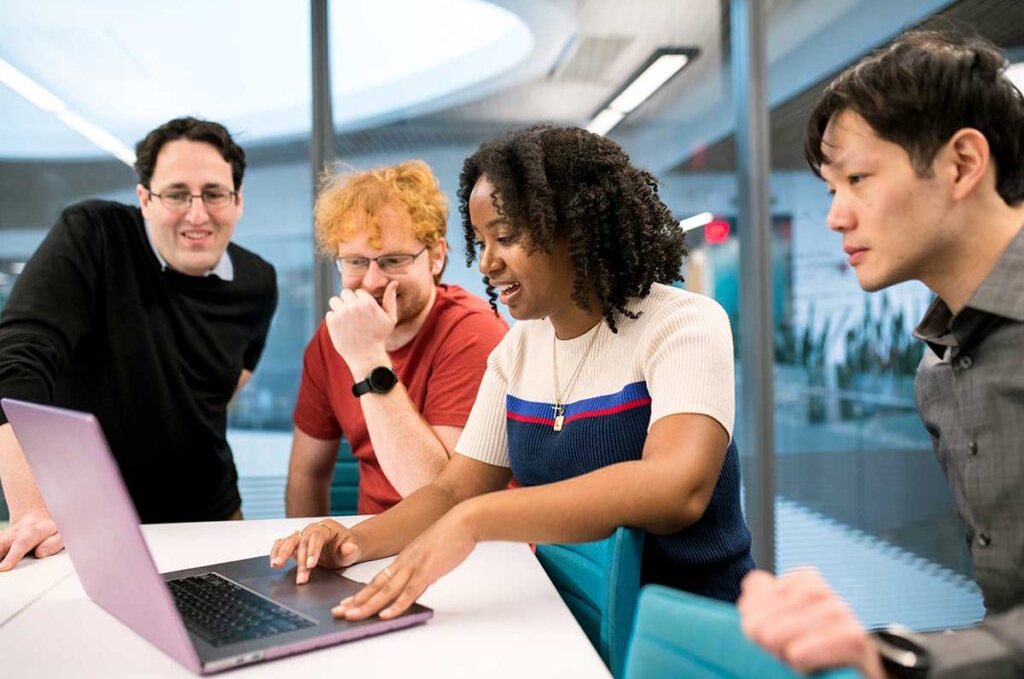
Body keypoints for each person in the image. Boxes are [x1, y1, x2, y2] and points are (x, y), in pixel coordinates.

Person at [271, 126, 754, 613]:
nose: (486, 263)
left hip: (686, 633)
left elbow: (678, 488)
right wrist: (354, 542)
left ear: (576, 228)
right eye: (481, 242)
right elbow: (454, 489)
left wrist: (477, 518)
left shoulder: (683, 323)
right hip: (567, 619)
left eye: (504, 237)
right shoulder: (519, 348)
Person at [738, 30, 1024, 679]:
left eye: (858, 179)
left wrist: (897, 655)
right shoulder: (941, 367)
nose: (836, 216)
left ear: (961, 164)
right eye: (832, 187)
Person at [0, 117, 278, 570]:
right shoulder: (94, 234)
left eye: (213, 193)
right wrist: (32, 508)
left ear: (238, 200)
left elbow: (229, 385)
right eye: (175, 194)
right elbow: (16, 360)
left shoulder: (258, 280)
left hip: (213, 517)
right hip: (86, 525)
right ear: (145, 199)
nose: (197, 213)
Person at [286, 160, 508, 517]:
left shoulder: (474, 332)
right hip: (374, 544)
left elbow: (441, 498)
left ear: (436, 257)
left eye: (392, 261)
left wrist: (369, 359)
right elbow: (307, 475)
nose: (372, 281)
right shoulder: (333, 338)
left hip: (472, 547)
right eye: (356, 262)